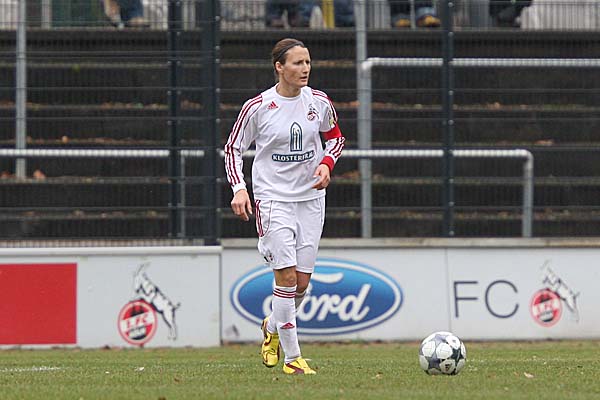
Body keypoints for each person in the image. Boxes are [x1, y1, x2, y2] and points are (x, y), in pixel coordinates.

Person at [224, 38, 345, 375]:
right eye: (297, 63)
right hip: (273, 199)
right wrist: (239, 189)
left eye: (307, 62)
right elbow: (233, 148)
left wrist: (327, 164)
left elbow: (336, 137)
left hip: (310, 200)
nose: (305, 69)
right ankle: (293, 359)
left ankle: (272, 326)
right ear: (279, 67)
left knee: (301, 284)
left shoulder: (319, 102)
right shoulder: (259, 107)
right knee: (286, 277)